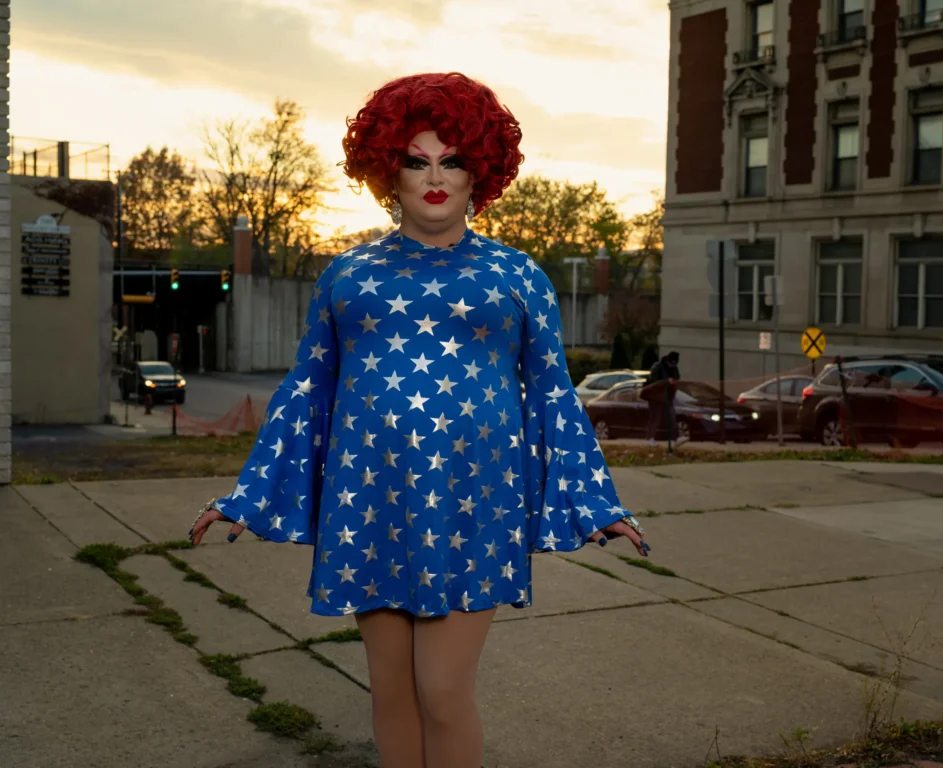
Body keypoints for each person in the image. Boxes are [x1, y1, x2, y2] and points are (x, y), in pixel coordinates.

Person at [188, 72, 650, 768]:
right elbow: (307, 393)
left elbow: (554, 396)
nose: (435, 177)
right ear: (388, 169)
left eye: (453, 159)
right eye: (416, 159)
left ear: (480, 172)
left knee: (441, 688)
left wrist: (595, 503)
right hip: (368, 502)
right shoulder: (345, 275)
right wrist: (246, 499)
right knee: (390, 690)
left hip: (476, 504)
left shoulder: (519, 277)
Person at [643, 351, 680, 445]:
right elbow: (654, 380)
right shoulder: (658, 366)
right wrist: (667, 381)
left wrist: (673, 381)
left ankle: (676, 438)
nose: (672, 365)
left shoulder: (673, 368)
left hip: (667, 396)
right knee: (655, 417)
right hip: (655, 397)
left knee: (672, 416)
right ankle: (650, 438)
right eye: (672, 363)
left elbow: (677, 377)